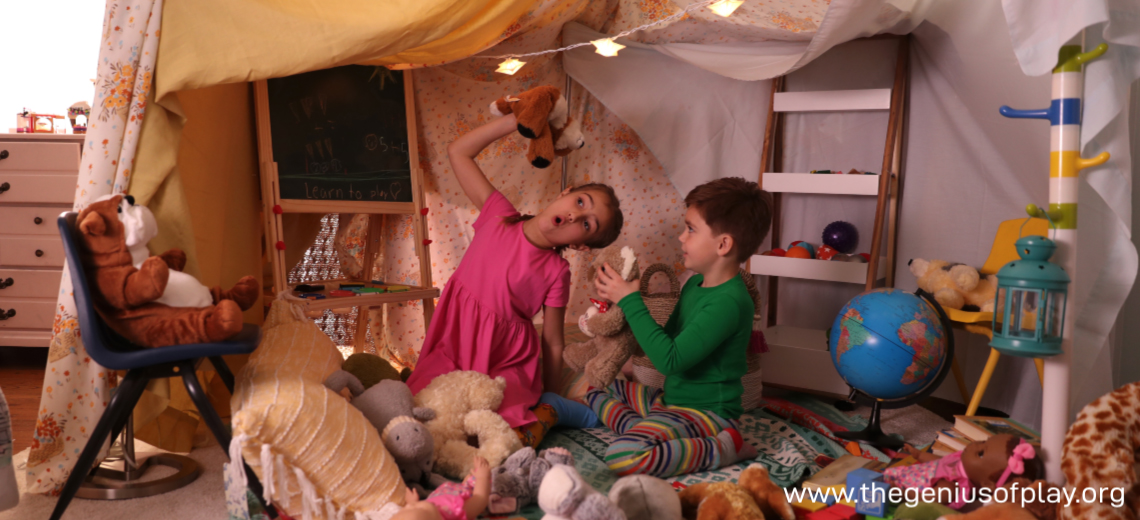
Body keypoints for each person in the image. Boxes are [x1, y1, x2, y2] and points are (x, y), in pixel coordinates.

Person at [406, 111, 624, 447]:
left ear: (580, 244)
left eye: (586, 224)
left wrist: (549, 394)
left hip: (505, 358)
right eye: (580, 202)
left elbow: (552, 340)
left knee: (503, 423)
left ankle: (554, 411)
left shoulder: (557, 271)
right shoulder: (498, 214)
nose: (576, 214)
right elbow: (458, 152)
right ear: (565, 192)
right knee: (424, 407)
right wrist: (518, 123)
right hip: (455, 340)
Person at [589, 177, 771, 477]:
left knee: (623, 456)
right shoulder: (695, 284)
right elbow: (665, 339)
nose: (681, 237)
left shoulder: (730, 302)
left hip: (708, 414)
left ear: (723, 244)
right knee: (596, 387)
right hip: (671, 403)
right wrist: (617, 318)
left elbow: (669, 360)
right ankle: (656, 431)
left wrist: (632, 300)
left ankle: (724, 447)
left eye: (690, 229)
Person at [393, 456, 492, 520]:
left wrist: (412, 502)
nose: (409, 506)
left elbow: (416, 514)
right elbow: (480, 499)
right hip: (469, 491)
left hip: (451, 491)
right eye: (417, 507)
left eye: (405, 509)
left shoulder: (430, 513)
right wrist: (482, 477)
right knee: (476, 474)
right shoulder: (455, 511)